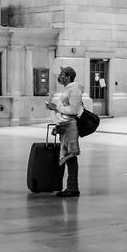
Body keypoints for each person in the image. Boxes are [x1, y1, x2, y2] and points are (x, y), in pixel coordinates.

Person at [45, 66, 82, 197]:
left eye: (62, 74)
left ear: (68, 76)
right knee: (67, 156)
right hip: (65, 125)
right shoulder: (67, 89)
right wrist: (54, 109)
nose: (60, 76)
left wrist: (57, 107)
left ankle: (73, 188)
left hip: (70, 126)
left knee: (71, 156)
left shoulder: (75, 90)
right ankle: (71, 187)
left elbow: (73, 110)